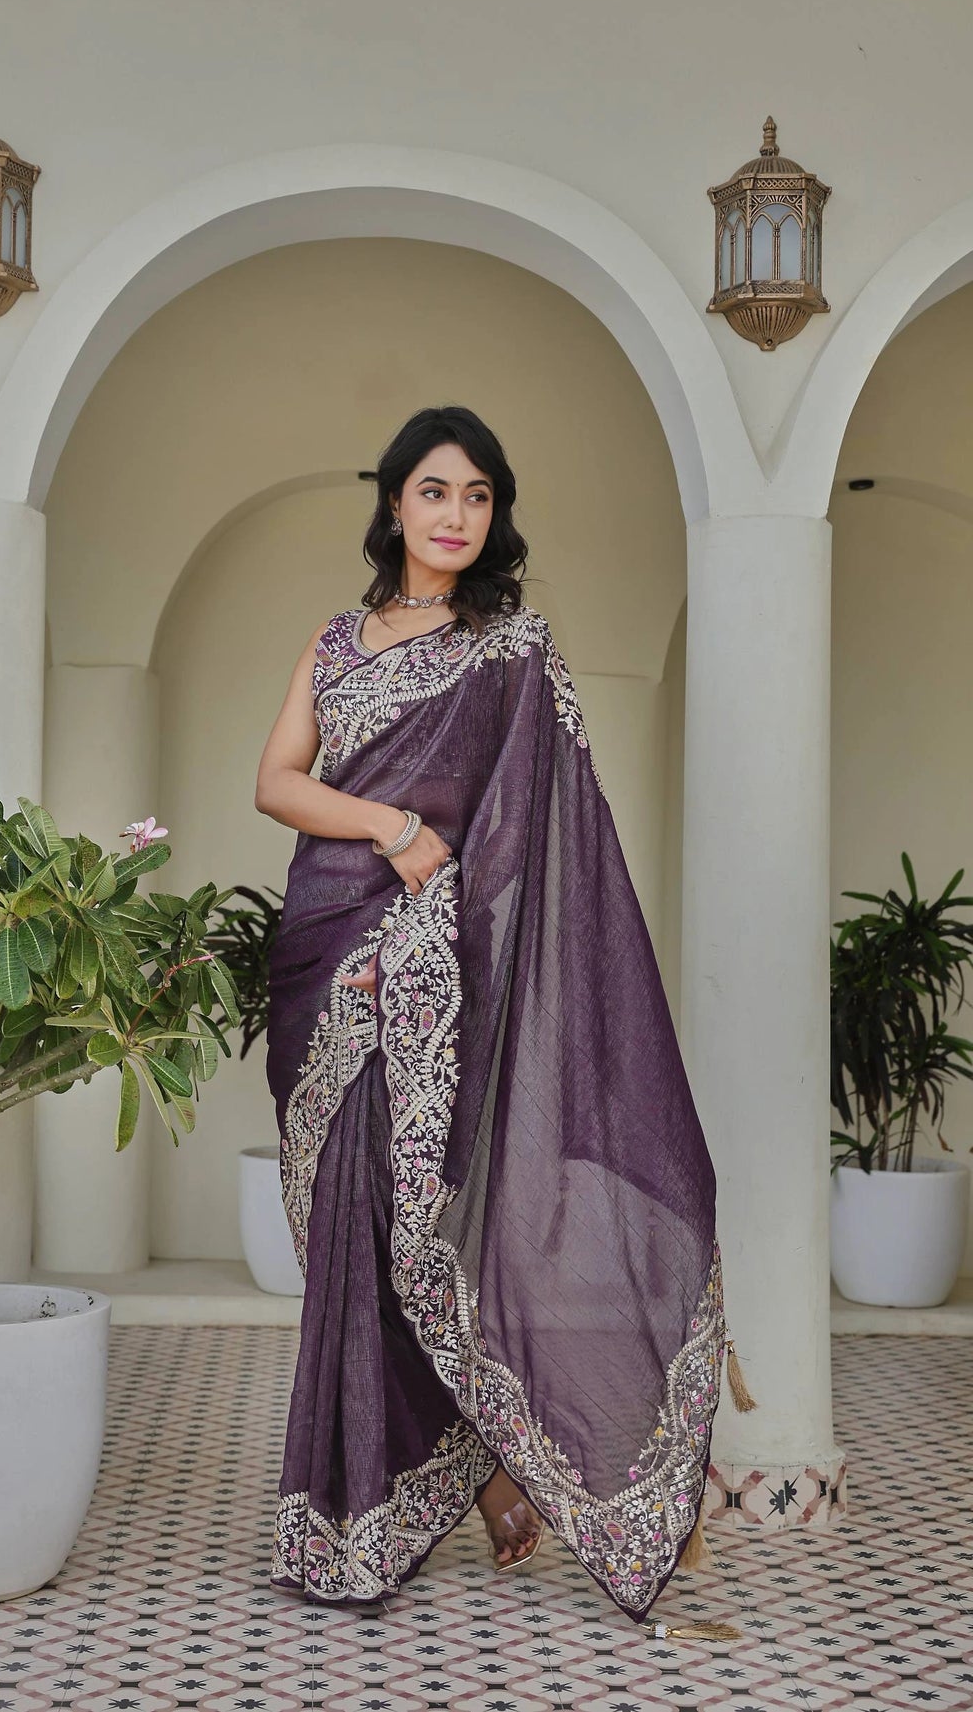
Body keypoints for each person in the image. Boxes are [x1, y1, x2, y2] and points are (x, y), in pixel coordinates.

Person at [254, 405, 751, 1624]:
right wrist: (391, 828)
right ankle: (419, 1482)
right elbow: (275, 782)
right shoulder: (334, 639)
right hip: (324, 960)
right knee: (348, 1232)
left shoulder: (512, 649)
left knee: (418, 1224)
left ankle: (484, 1470)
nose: (455, 516)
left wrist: (446, 914)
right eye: (434, 492)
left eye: (477, 497)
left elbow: (545, 834)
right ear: (393, 504)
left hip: (434, 970)